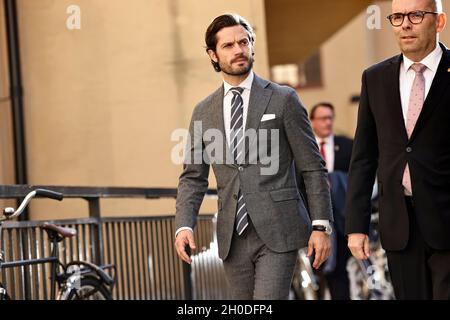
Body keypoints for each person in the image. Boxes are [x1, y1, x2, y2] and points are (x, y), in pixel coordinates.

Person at [174, 13, 333, 300]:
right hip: (231, 234)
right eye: (228, 45)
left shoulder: (283, 98)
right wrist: (184, 224)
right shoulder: (203, 111)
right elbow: (192, 177)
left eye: (243, 42)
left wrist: (320, 224)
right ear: (213, 54)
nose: (238, 50)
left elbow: (312, 167)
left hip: (278, 229)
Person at [345, 0, 450, 299]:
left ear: (438, 22)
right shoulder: (375, 78)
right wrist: (356, 225)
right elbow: (364, 157)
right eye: (398, 16)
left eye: (416, 15)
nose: (405, 24)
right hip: (399, 225)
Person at [309, 102, 353, 300]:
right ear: (312, 121)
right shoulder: (305, 145)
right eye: (322, 118)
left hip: (341, 221)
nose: (327, 122)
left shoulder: (347, 146)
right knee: (315, 275)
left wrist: (335, 182)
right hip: (312, 222)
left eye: (330, 118)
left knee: (339, 275)